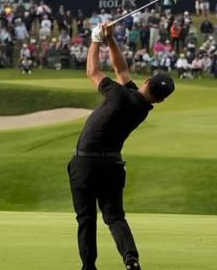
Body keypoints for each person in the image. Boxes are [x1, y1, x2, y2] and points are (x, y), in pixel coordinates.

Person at [68, 22, 175, 270]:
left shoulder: (119, 96)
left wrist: (96, 40)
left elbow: (93, 71)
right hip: (113, 166)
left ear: (146, 80)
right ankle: (131, 259)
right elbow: (122, 69)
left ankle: (89, 266)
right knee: (115, 217)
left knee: (86, 218)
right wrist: (111, 39)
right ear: (159, 100)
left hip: (86, 162)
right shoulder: (141, 107)